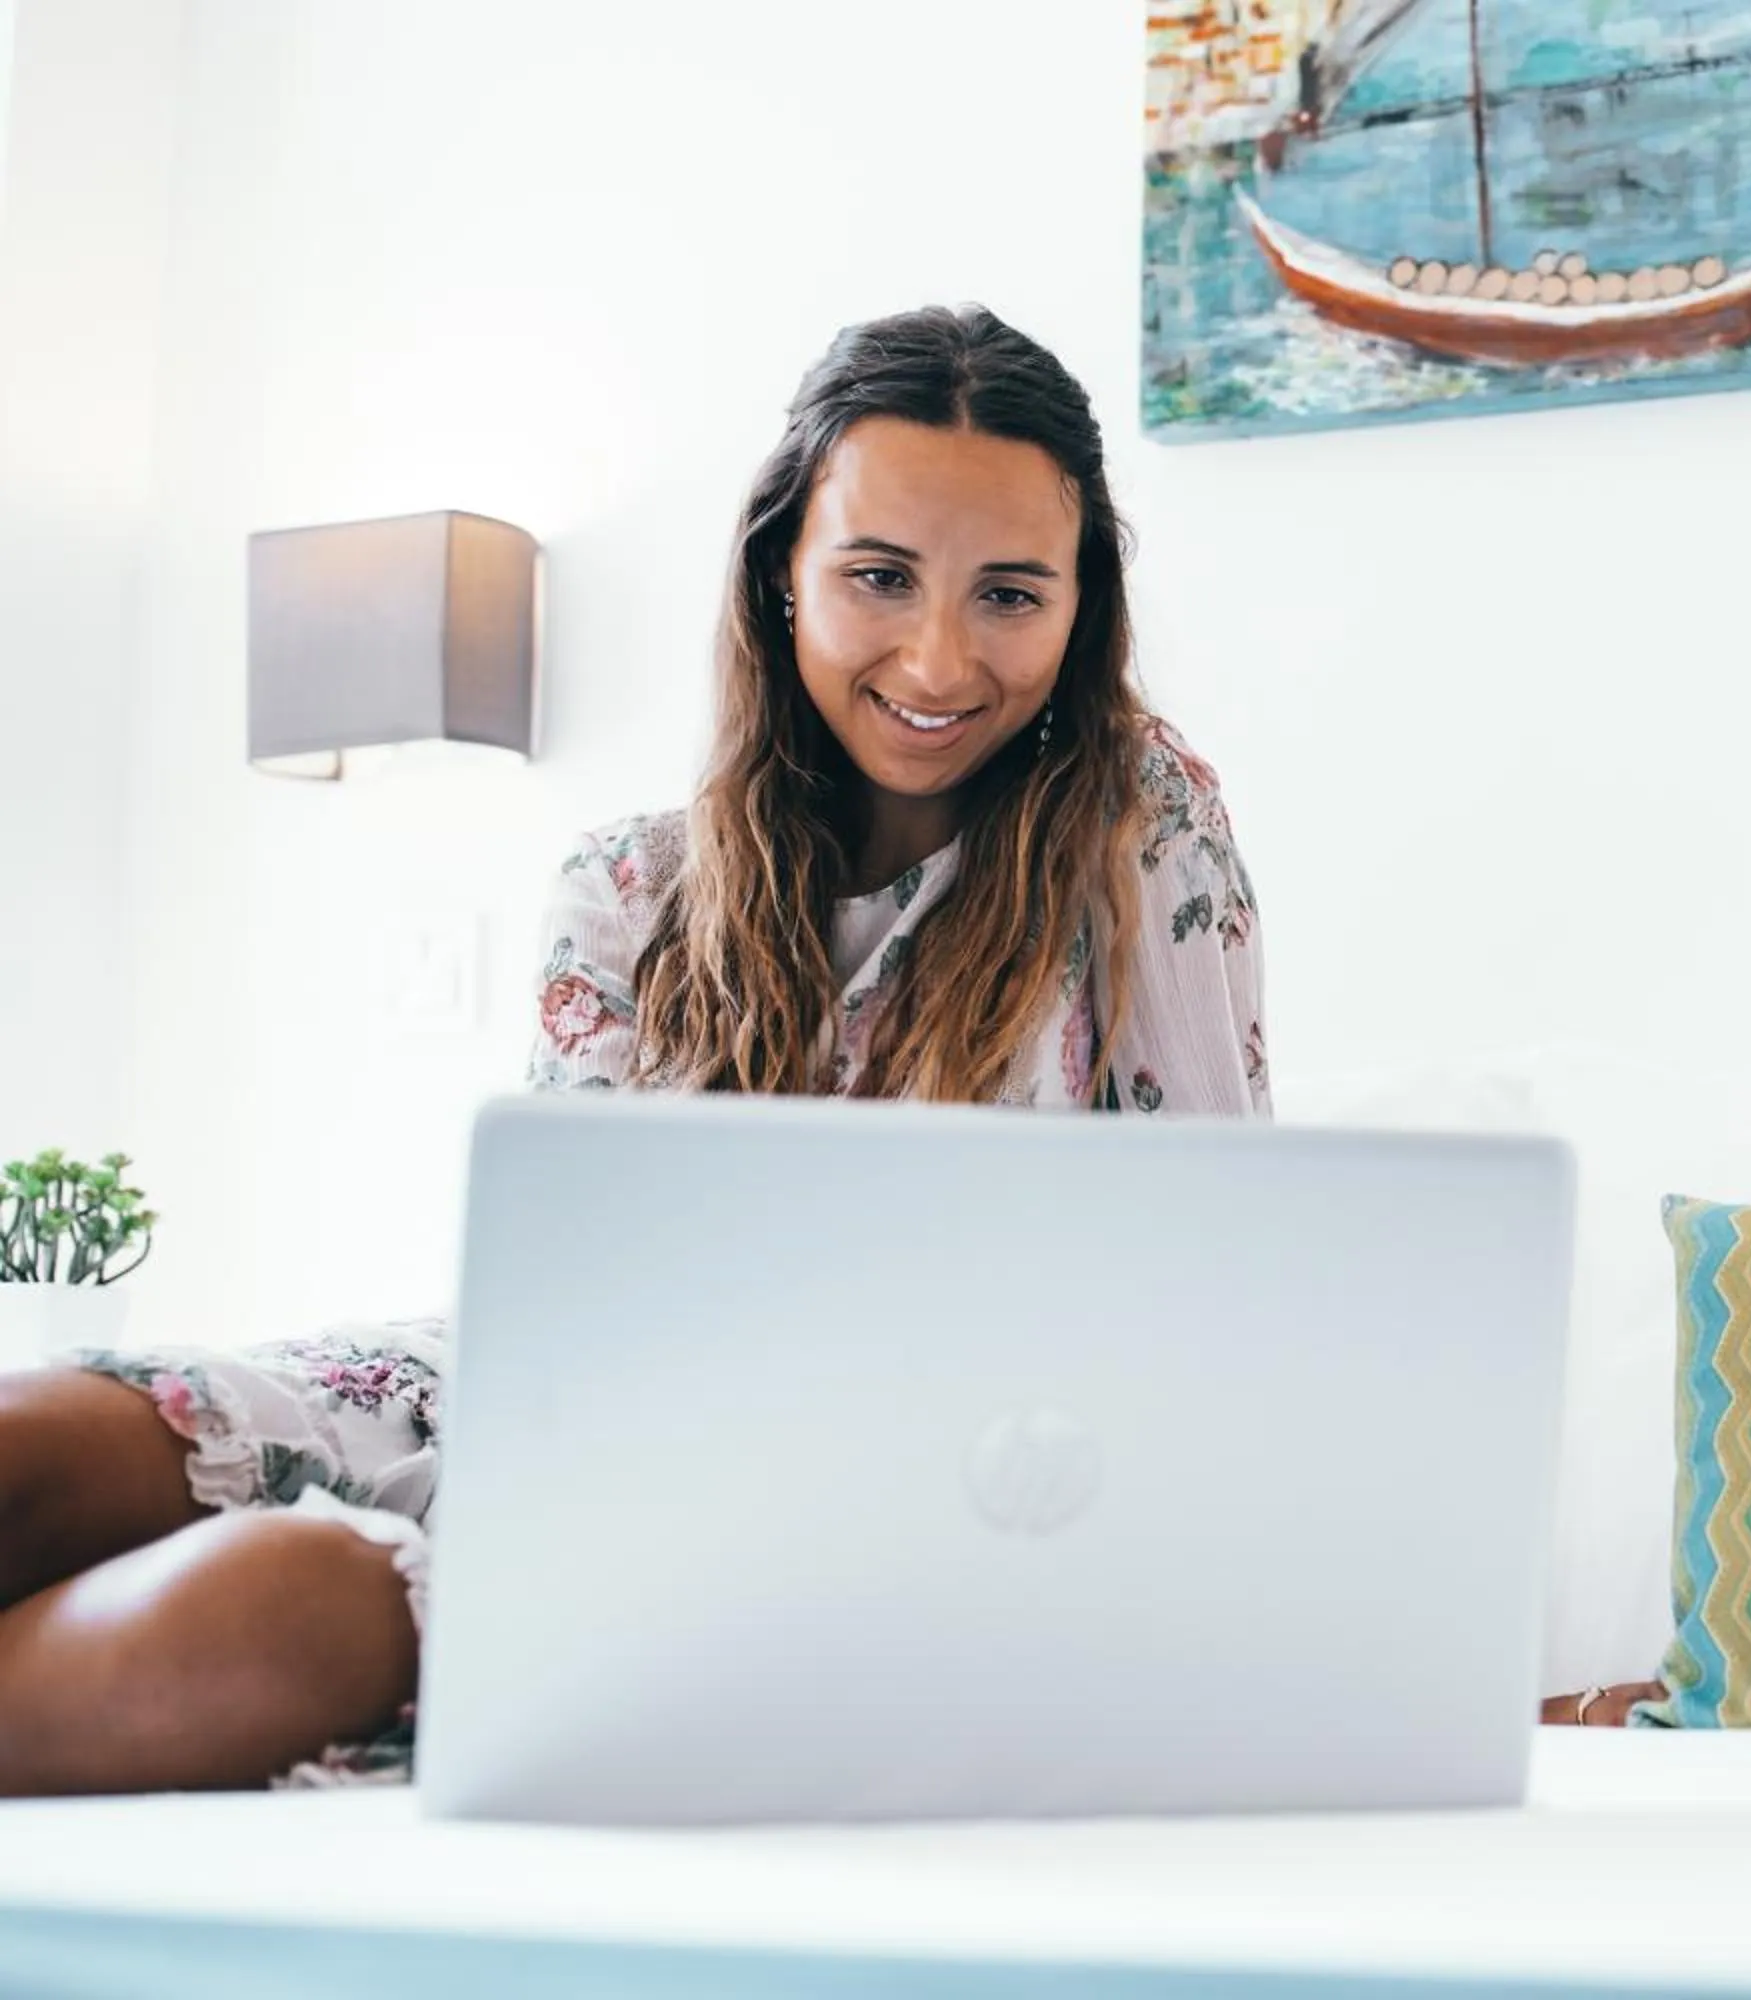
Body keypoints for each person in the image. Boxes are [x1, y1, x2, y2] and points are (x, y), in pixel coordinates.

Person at [0, 306, 1273, 1793]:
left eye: (1009, 593)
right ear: (779, 574)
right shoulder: (625, 888)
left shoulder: (1143, 827)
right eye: (879, 576)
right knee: (36, 1443)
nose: (941, 655)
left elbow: (1216, 1296)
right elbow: (572, 1300)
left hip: (866, 1502)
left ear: (1079, 610)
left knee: (272, 1602)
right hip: (534, 1399)